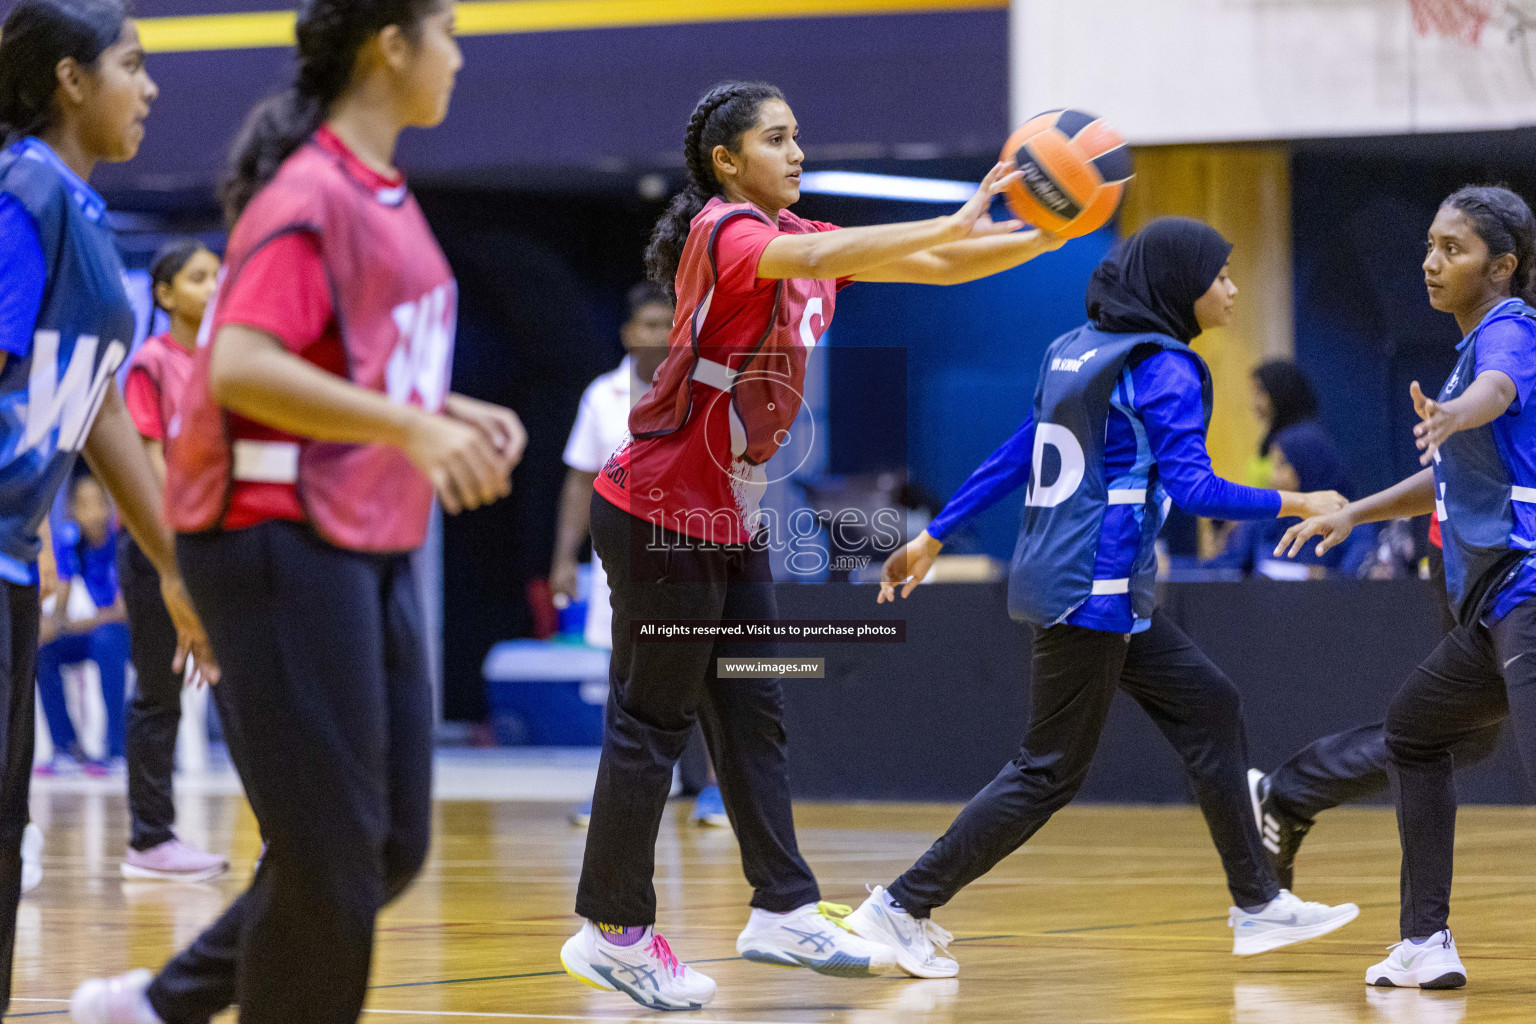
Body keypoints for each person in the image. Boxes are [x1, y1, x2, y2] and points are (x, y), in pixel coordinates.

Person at [561, 80, 1067, 1011]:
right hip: (662, 511)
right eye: (778, 139)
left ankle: (783, 906)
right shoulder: (729, 232)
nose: (797, 153)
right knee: (653, 724)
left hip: (730, 516)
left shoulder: (799, 250)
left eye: (800, 138)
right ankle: (613, 931)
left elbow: (941, 267)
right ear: (726, 160)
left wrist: (1046, 230)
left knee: (754, 714)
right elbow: (837, 246)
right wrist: (954, 215)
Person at [70, 1, 526, 1022]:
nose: (460, 52)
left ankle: (157, 1005)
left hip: (363, 535)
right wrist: (413, 431)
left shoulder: (384, 192)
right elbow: (240, 364)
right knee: (333, 863)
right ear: (390, 46)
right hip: (273, 534)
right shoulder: (308, 192)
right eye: (445, 28)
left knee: (385, 848)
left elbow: (349, 356)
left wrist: (445, 409)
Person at [844, 218, 1361, 980]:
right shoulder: (1166, 368)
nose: (1231, 286)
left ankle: (1257, 904)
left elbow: (1016, 449)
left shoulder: (1075, 350)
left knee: (1209, 704)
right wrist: (1301, 502)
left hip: (1075, 579)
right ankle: (900, 906)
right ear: (1181, 287)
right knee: (1046, 771)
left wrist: (936, 536)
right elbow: (1194, 490)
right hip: (1096, 589)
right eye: (1219, 274)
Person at [0, 0, 217, 1014]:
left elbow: (93, 410)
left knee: (9, 825)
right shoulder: (23, 190)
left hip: (10, 560)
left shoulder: (79, 213)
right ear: (69, 81)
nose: (153, 86)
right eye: (133, 65)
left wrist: (174, 564)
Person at [1274, 185, 1536, 990]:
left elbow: (1494, 393)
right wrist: (1352, 513)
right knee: (1416, 732)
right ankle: (1425, 942)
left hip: (1528, 590)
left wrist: (1459, 410)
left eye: (1452, 249)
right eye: (1428, 244)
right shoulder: (1470, 353)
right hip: (1493, 603)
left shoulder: (1510, 329)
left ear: (1503, 267)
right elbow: (1445, 480)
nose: (1430, 261)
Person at [552, 282, 727, 829]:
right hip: (621, 559)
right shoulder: (601, 396)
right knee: (624, 676)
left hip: (693, 550)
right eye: (647, 324)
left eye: (666, 324)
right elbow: (580, 481)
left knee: (703, 674)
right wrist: (563, 559)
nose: (656, 334)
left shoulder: (711, 383)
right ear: (629, 334)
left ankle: (719, 791)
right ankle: (628, 787)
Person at [115, 238, 229, 881]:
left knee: (243, 687)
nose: (212, 287)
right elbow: (149, 464)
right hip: (160, 547)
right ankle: (149, 840)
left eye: (217, 276)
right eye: (196, 278)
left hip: (220, 543)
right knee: (160, 691)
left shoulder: (225, 364)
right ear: (164, 295)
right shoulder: (152, 365)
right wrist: (172, 562)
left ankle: (280, 835)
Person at [35, 473, 129, 771]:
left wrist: (67, 625)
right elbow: (60, 604)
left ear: (108, 506)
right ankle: (66, 748)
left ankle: (117, 750)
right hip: (95, 630)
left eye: (98, 503)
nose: (92, 512)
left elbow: (122, 612)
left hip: (129, 633)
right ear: (73, 510)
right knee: (43, 650)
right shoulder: (71, 542)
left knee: (106, 642)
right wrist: (48, 624)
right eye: (83, 505)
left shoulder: (120, 540)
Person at [1207, 411, 1366, 578]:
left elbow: (1360, 576)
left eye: (1281, 465)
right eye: (1272, 465)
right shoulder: (1263, 518)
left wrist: (1320, 576)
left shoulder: (1352, 521)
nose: (1273, 476)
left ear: (1308, 466)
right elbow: (1220, 570)